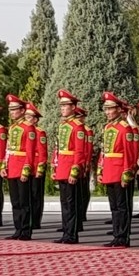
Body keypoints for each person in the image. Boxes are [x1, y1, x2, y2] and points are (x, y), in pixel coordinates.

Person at [98, 91, 137, 247]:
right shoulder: (108, 127)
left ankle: (123, 236)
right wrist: (101, 169)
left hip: (120, 171)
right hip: (110, 170)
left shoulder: (124, 128)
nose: (107, 112)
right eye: (106, 109)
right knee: (114, 207)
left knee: (122, 207)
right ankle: (116, 235)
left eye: (110, 109)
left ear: (119, 110)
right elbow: (104, 151)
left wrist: (127, 172)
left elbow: (130, 153)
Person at [52, 89, 86, 244]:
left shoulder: (77, 126)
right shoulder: (63, 125)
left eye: (65, 106)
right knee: (64, 203)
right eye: (61, 106)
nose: (62, 109)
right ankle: (66, 232)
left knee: (71, 204)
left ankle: (72, 234)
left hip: (70, 168)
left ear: (73, 107)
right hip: (62, 168)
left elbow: (80, 151)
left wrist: (74, 171)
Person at [4, 94, 37, 240]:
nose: (12, 112)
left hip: (22, 166)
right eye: (10, 110)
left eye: (15, 110)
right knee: (15, 201)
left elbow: (30, 151)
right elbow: (8, 149)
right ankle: (18, 228)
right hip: (12, 167)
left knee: (24, 201)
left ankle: (26, 230)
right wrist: (5, 165)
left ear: (22, 111)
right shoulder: (12, 128)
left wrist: (26, 168)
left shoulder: (28, 128)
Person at [25, 102, 48, 232]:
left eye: (29, 117)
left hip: (36, 167)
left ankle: (35, 220)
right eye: (26, 116)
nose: (26, 119)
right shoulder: (25, 130)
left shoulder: (40, 132)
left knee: (36, 194)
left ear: (35, 119)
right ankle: (28, 219)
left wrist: (40, 167)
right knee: (27, 195)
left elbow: (42, 152)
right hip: (27, 166)